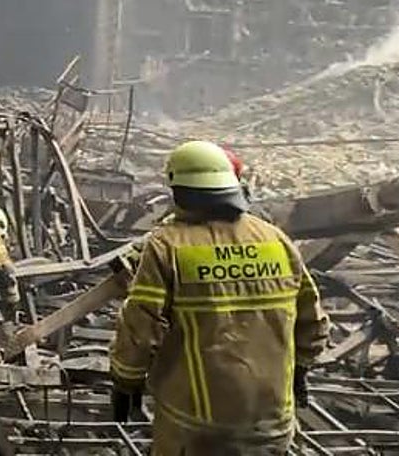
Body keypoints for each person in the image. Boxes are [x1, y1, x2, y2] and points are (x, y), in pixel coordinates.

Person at [109, 140, 330, 455]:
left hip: (195, 427)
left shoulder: (166, 246)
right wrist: (301, 369)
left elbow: (140, 330)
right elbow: (311, 320)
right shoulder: (275, 239)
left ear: (178, 189)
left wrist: (125, 381)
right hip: (271, 423)